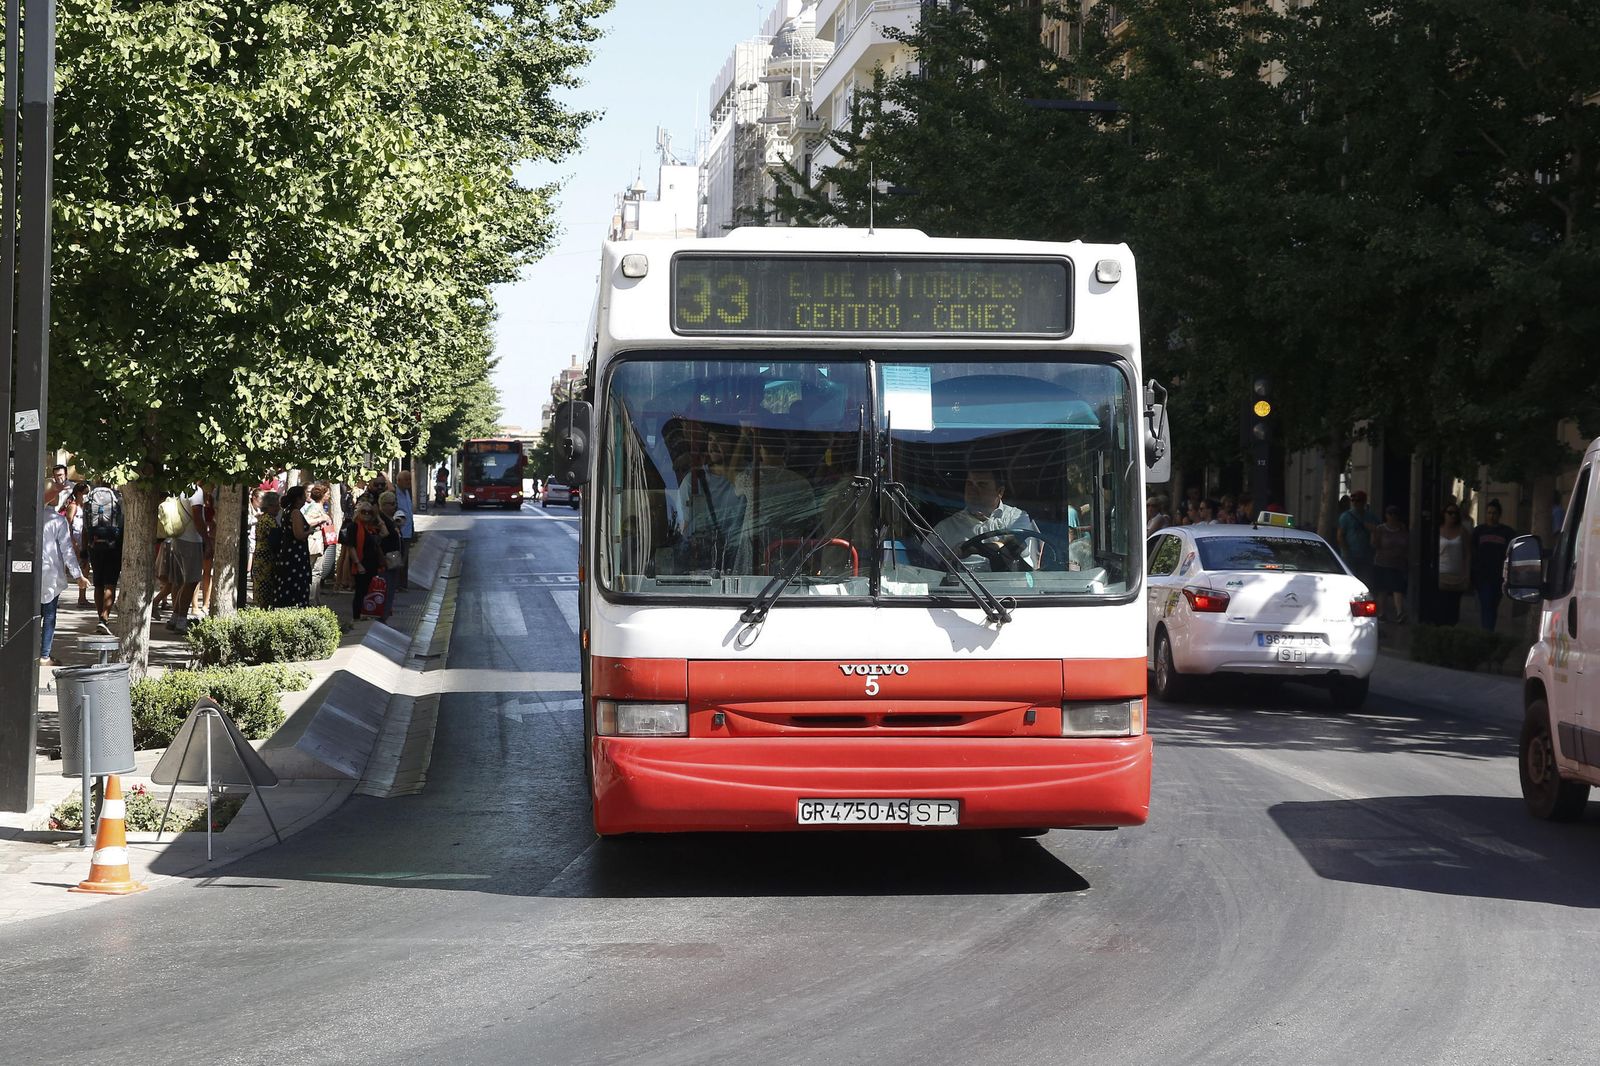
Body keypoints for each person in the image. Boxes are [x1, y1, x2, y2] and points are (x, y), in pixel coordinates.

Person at [925, 466, 1040, 571]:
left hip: (1012, 587)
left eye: (981, 485)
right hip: (964, 590)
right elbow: (921, 563)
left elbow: (1014, 545)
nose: (972, 490)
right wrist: (947, 558)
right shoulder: (945, 528)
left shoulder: (1016, 517)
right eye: (969, 484)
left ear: (1000, 492)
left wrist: (973, 548)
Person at [39, 483, 86, 666]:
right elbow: (67, 550)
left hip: (32, 573)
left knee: (33, 615)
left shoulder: (29, 517)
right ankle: (44, 655)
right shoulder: (58, 521)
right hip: (51, 573)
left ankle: (31, 650)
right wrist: (78, 575)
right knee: (49, 615)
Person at [84, 481, 125, 634]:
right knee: (110, 583)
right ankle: (104, 618)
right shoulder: (118, 499)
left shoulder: (89, 500)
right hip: (114, 546)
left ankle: (100, 618)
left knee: (99, 583)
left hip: (94, 545)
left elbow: (85, 527)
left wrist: (84, 549)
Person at [1470, 498, 1516, 631]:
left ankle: (1489, 630)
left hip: (1499, 576)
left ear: (1499, 515)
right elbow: (1472, 551)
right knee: (1486, 603)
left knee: (1493, 605)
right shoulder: (1479, 531)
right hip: (1482, 575)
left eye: (1494, 513)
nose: (1491, 516)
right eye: (1489, 513)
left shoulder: (1506, 532)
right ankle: (1487, 632)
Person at [167, 483, 207, 633]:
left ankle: (175, 617)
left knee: (184, 581)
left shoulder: (178, 488)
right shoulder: (196, 491)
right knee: (191, 581)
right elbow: (198, 517)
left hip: (178, 538)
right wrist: (207, 540)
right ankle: (181, 621)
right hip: (191, 540)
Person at [341, 501, 390, 621]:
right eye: (364, 512)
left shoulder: (372, 528)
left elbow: (385, 533)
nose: (366, 514)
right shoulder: (354, 527)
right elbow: (351, 546)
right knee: (360, 591)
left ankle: (367, 613)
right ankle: (356, 617)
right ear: (358, 513)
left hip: (372, 564)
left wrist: (377, 516)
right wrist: (358, 564)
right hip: (361, 564)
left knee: (370, 590)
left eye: (369, 512)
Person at [267, 484, 314, 608]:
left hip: (289, 552)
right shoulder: (295, 512)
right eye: (303, 496)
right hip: (295, 555)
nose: (305, 499)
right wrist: (309, 531)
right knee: (295, 584)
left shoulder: (287, 511)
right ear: (298, 499)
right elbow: (298, 534)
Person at [1371, 504, 1409, 622]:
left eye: (1394, 514)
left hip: (1398, 563)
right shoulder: (1380, 529)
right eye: (1389, 513)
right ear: (1386, 515)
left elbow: (1407, 544)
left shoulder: (1403, 528)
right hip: (1382, 563)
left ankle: (1400, 613)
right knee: (1383, 589)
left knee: (1397, 588)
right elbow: (1374, 544)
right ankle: (1382, 613)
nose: (1392, 516)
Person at [1436, 502, 1469, 625]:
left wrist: (1467, 574)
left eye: (1455, 513)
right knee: (1441, 606)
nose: (1453, 516)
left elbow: (1467, 554)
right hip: (1441, 574)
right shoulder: (1438, 530)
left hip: (1457, 575)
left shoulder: (1462, 531)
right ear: (1444, 514)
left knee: (1454, 608)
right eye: (1450, 513)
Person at [1337, 489, 1378, 586]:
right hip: (1350, 555)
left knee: (1365, 582)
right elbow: (1340, 535)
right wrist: (1346, 551)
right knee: (1350, 581)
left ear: (1364, 501)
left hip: (1366, 555)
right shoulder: (1346, 516)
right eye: (1353, 500)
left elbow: (1378, 530)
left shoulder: (1371, 516)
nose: (1355, 503)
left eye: (1358, 500)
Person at [251, 492, 281, 608]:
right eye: (275, 505)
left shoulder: (265, 518)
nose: (278, 508)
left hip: (263, 557)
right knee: (265, 589)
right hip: (265, 559)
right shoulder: (268, 520)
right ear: (269, 506)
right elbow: (275, 540)